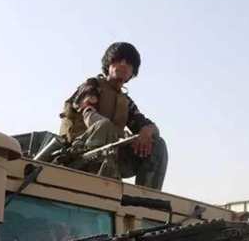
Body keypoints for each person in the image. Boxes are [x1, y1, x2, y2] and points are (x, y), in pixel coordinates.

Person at [58, 42, 168, 190]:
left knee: (157, 144)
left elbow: (145, 123)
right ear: (108, 64)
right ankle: (102, 188)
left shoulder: (125, 102)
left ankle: (146, 198)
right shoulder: (92, 86)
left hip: (112, 157)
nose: (123, 64)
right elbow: (88, 113)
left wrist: (147, 131)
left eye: (129, 63)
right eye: (118, 59)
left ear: (132, 72)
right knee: (104, 126)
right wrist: (105, 127)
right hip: (79, 155)